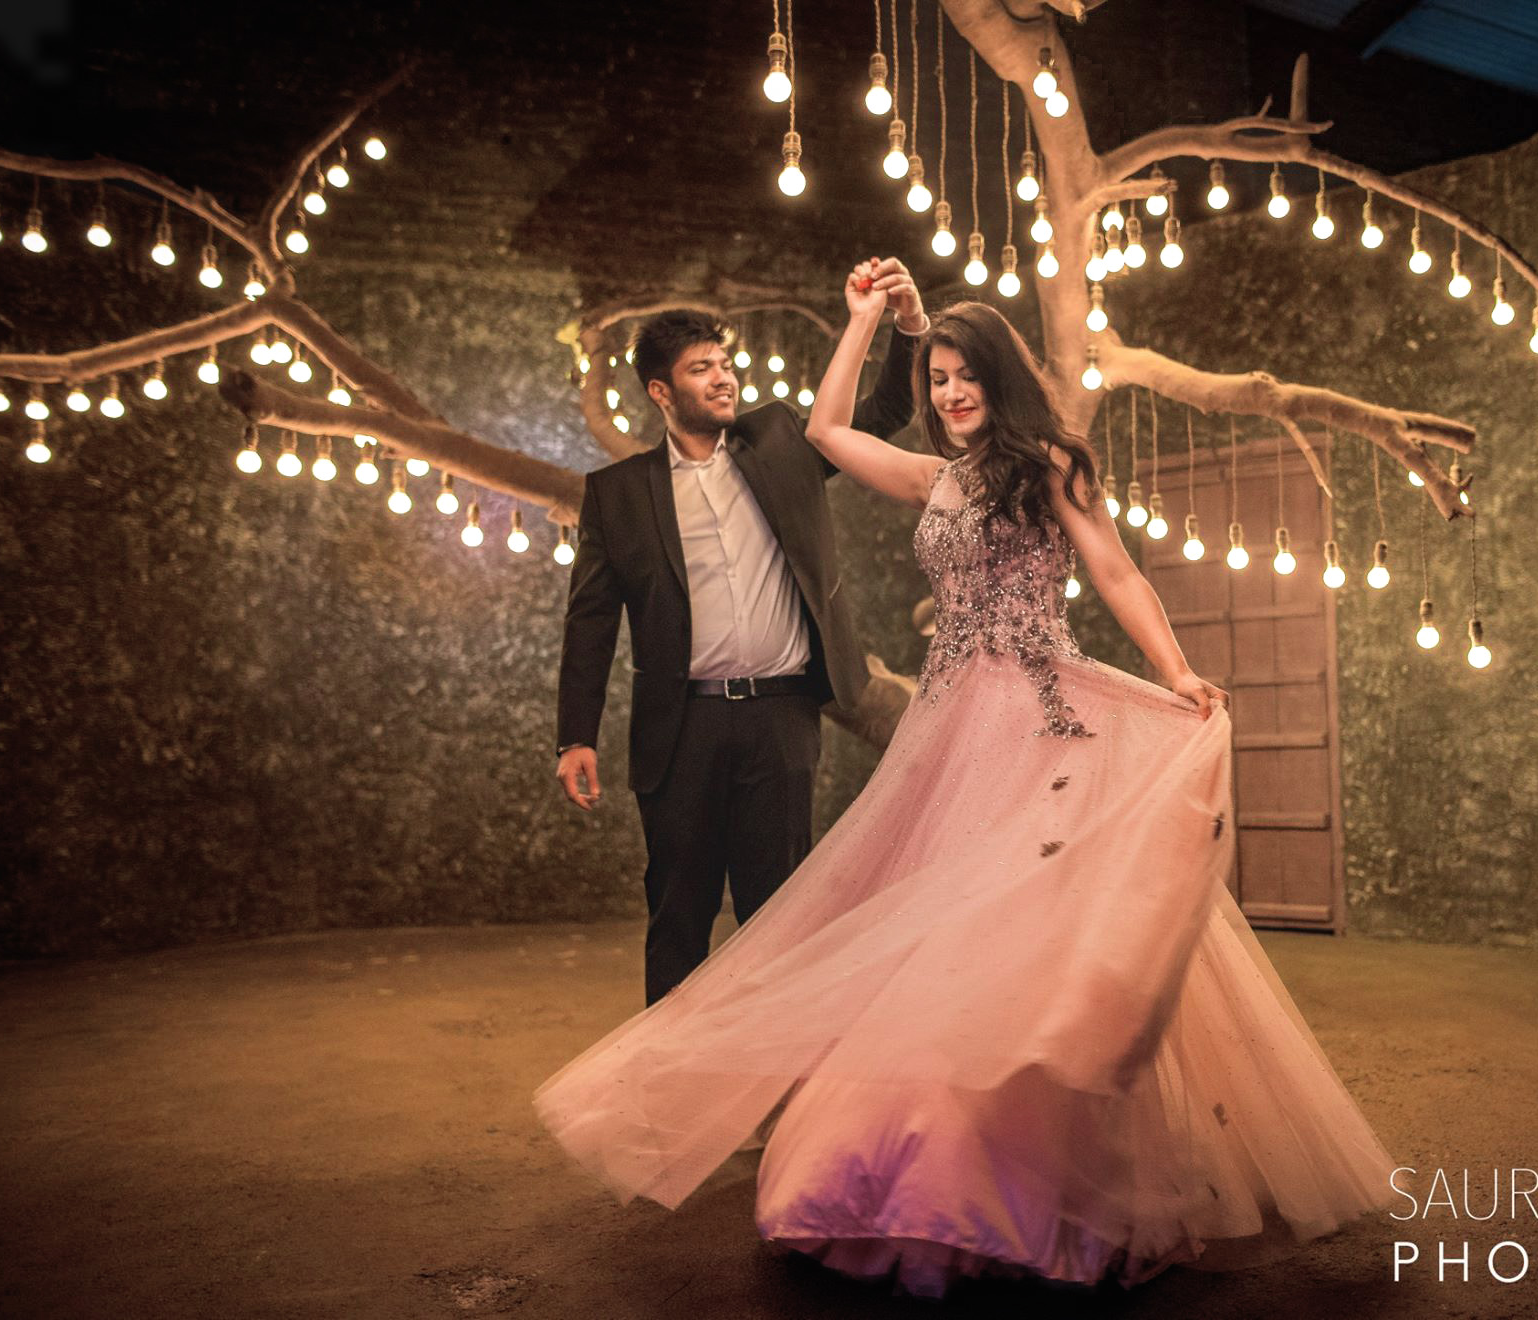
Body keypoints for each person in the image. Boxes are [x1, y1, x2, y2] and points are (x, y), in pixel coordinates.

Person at [535, 261, 1396, 1296]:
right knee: (928, 943)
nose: (945, 394)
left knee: (1023, 938)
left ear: (996, 378)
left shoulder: (1051, 464)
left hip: (1037, 715)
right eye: (935, 377)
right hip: (946, 729)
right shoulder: (936, 478)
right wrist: (862, 323)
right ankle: (911, 1173)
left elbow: (1115, 570)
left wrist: (1174, 671)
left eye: (960, 377)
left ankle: (1034, 1169)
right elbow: (824, 433)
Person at [553, 266, 929, 1005]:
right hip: (681, 727)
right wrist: (575, 736)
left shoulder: (784, 438)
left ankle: (775, 1095)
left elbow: (884, 410)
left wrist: (908, 324)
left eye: (725, 365)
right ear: (661, 392)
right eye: (702, 370)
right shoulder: (618, 496)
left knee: (780, 915)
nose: (723, 380)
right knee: (678, 917)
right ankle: (671, 1092)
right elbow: (590, 621)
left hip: (781, 721)